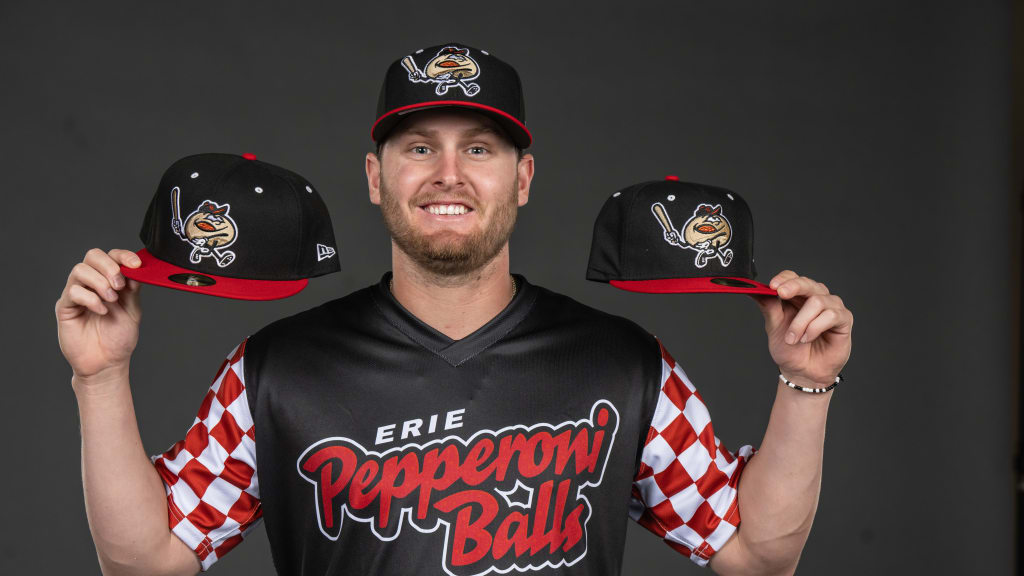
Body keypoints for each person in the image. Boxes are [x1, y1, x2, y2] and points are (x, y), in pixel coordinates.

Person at [56, 43, 852, 576]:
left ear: (524, 178)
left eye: (478, 147)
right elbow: (147, 561)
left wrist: (803, 384)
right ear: (375, 177)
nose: (448, 173)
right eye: (417, 147)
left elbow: (755, 554)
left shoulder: (624, 362)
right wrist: (101, 378)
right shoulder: (276, 369)